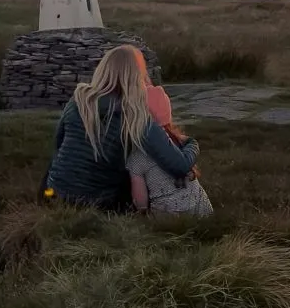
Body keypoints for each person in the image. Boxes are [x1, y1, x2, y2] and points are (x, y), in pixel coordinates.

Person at [44, 46, 199, 211]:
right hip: (97, 205)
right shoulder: (135, 116)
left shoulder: (79, 100)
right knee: (139, 163)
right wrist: (190, 143)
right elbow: (179, 166)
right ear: (137, 77)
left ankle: (47, 197)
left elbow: (58, 144)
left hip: (53, 195)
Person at [127, 84, 214, 217]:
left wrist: (140, 211)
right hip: (201, 209)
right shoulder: (180, 141)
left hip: (168, 216)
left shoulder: (137, 157)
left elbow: (141, 203)